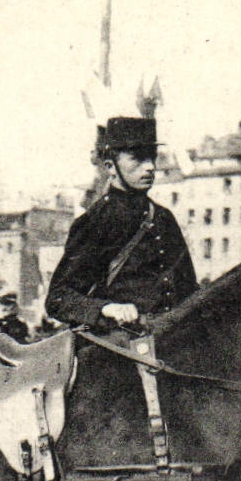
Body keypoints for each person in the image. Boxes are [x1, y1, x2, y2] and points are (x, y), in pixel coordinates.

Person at [45, 116, 197, 329]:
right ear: (110, 166)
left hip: (170, 339)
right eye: (138, 159)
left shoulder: (164, 218)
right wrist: (107, 308)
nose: (150, 167)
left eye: (152, 158)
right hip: (116, 345)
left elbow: (188, 290)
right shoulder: (96, 221)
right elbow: (58, 299)